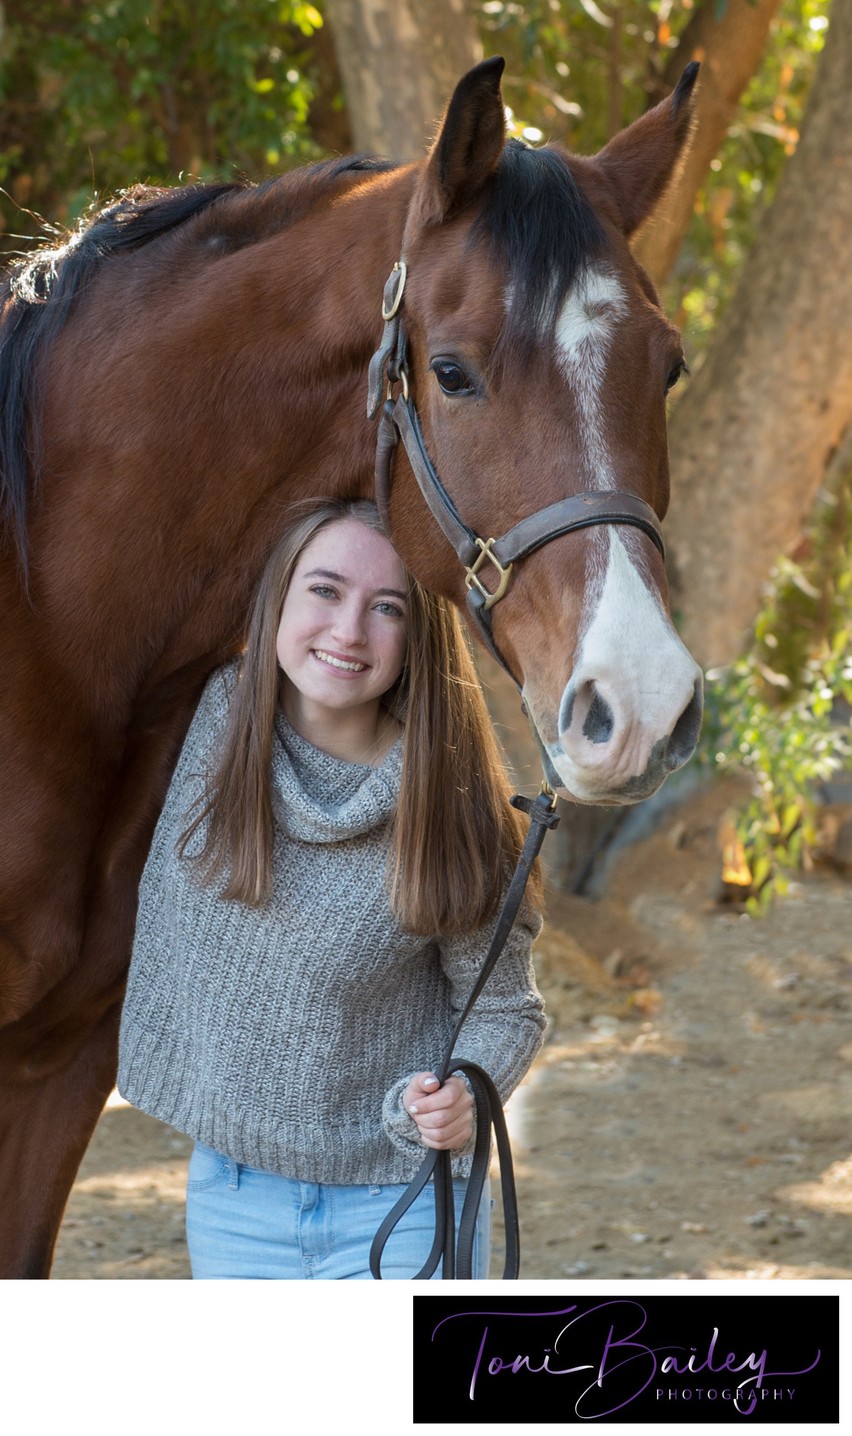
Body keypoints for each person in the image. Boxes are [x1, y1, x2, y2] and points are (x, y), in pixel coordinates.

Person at [118, 497, 546, 1279]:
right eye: (324, 590)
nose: (349, 632)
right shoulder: (208, 728)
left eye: (386, 608)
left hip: (406, 1196)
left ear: (417, 635)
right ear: (277, 595)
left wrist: (467, 1095)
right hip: (233, 1193)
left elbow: (504, 1007)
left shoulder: (450, 802)